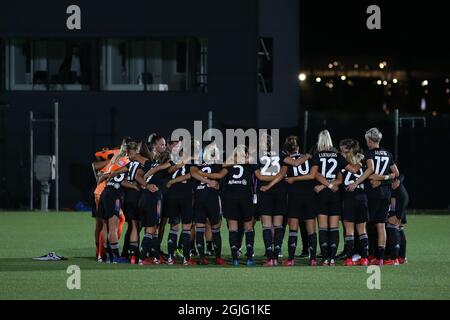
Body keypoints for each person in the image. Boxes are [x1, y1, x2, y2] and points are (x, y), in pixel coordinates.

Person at [261, 136, 317, 266]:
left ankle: (288, 259)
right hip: (309, 195)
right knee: (311, 228)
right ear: (298, 147)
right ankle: (313, 258)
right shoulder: (307, 158)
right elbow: (314, 175)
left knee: (291, 228)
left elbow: (284, 173)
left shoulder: (284, 159)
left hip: (293, 196)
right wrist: (308, 155)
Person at [310, 130, 360, 266]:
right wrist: (361, 162)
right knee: (334, 228)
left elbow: (314, 174)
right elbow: (352, 171)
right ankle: (332, 259)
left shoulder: (317, 155)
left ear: (319, 141)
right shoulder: (338, 156)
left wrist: (324, 185)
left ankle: (325, 258)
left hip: (322, 195)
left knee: (323, 228)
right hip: (335, 195)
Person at [203, 145, 257, 266]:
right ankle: (249, 258)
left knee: (233, 228)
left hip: (230, 198)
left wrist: (201, 174)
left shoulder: (228, 165)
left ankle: (235, 259)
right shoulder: (250, 164)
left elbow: (219, 175)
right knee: (248, 227)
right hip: (245, 197)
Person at [365, 128, 399, 266]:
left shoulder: (368, 153)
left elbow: (370, 174)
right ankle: (380, 258)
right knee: (381, 226)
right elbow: (395, 174)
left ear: (370, 140)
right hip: (385, 193)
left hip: (372, 193)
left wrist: (378, 179)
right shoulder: (388, 154)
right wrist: (386, 177)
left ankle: (367, 255)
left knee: (366, 225)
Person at [338, 139, 374, 266]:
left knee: (349, 230)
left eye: (343, 150)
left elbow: (341, 179)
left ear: (349, 150)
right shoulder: (362, 161)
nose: (341, 152)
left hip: (349, 197)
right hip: (362, 196)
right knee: (362, 230)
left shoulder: (342, 162)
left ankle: (349, 259)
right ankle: (364, 259)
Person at [190, 143, 225, 265]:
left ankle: (202, 257)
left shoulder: (197, 165)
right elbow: (220, 176)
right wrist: (210, 181)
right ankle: (218, 257)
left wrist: (204, 178)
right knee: (215, 228)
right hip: (212, 198)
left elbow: (193, 173)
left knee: (199, 228)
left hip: (199, 198)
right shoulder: (218, 165)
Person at [255, 134, 287, 266]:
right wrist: (276, 179)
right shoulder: (281, 154)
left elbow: (260, 177)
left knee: (267, 226)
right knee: (278, 225)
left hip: (265, 192)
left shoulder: (257, 155)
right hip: (280, 191)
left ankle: (270, 259)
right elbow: (283, 173)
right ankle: (276, 257)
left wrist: (268, 184)